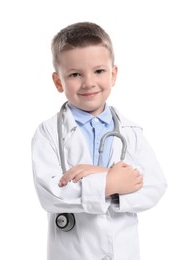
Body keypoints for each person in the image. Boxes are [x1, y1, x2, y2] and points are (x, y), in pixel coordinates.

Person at [31, 21, 167, 260]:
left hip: (122, 251)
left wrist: (97, 174)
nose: (88, 83)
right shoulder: (49, 132)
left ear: (113, 74)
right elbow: (50, 194)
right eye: (75, 74)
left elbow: (155, 187)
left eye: (99, 71)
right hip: (72, 252)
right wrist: (112, 183)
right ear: (58, 81)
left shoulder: (130, 131)